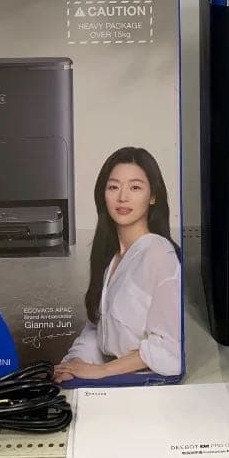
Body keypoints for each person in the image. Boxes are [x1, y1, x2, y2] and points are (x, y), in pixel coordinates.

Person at [53, 146, 181, 383]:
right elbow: (97, 330)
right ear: (103, 194)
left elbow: (170, 347)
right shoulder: (112, 258)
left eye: (135, 187)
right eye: (113, 187)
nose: (123, 197)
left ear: (153, 196)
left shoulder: (157, 252)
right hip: (113, 383)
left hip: (147, 385)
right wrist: (72, 364)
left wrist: (102, 371)